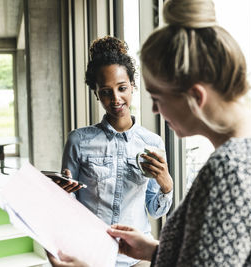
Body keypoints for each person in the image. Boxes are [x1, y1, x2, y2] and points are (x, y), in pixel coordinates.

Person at [48, 0, 251, 266]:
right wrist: (153, 251)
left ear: (195, 96)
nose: (156, 110)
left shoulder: (230, 170)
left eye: (157, 97)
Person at [57, 36, 173, 267]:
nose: (116, 99)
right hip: (90, 254)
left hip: (137, 258)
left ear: (133, 85)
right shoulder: (78, 140)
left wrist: (166, 185)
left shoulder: (152, 142)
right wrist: (62, 193)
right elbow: (68, 206)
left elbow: (155, 210)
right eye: (106, 91)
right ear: (96, 93)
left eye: (122, 88)